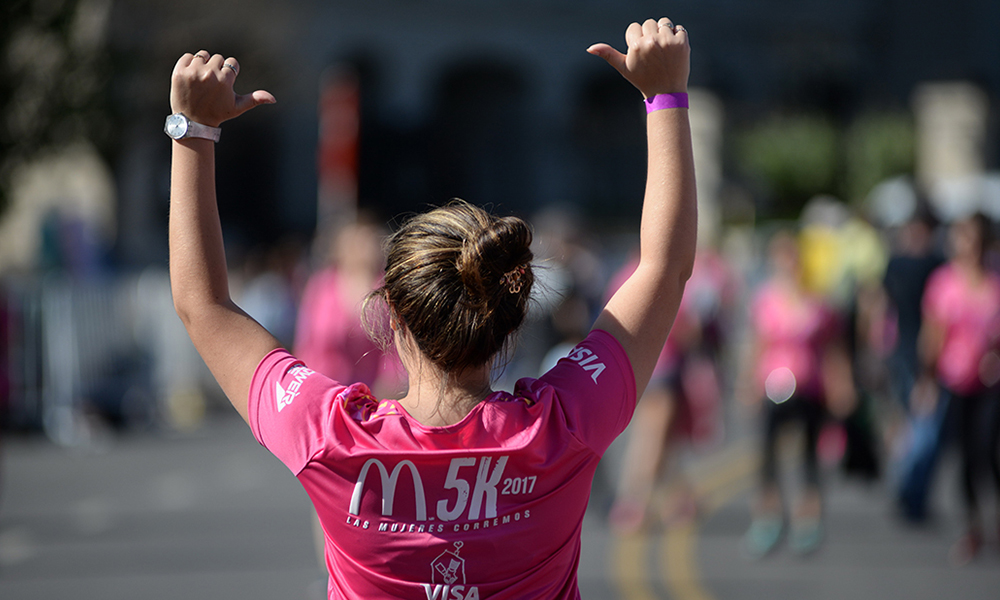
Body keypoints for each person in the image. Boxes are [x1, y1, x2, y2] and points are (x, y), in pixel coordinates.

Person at [166, 17, 695, 598]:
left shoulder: (329, 435)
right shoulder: (560, 427)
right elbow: (664, 272)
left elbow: (204, 305)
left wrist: (192, 129)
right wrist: (665, 96)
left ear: (391, 312)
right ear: (510, 312)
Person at [738, 230, 851, 557]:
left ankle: (809, 520)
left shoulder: (819, 303)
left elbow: (833, 347)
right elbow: (757, 345)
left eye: (792, 259)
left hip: (809, 386)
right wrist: (748, 383)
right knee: (767, 455)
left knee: (808, 457)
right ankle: (768, 519)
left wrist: (841, 383)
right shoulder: (766, 301)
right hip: (772, 386)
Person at [917, 213, 1000, 565]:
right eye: (962, 238)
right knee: (966, 456)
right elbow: (933, 337)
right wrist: (927, 381)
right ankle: (973, 527)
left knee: (987, 449)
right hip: (955, 380)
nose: (968, 246)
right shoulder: (943, 283)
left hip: (991, 382)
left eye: (974, 238)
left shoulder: (994, 283)